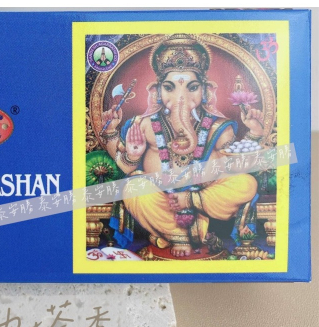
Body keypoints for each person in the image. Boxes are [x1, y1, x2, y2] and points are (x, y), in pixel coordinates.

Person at [101, 34, 263, 258]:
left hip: (203, 196)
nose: (181, 97)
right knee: (133, 188)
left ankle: (188, 221)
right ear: (157, 92)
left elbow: (238, 164)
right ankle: (178, 234)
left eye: (192, 87)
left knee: (246, 183)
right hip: (161, 198)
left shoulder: (218, 127)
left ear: (206, 91)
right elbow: (126, 168)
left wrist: (255, 133)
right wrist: (128, 150)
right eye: (170, 88)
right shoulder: (144, 125)